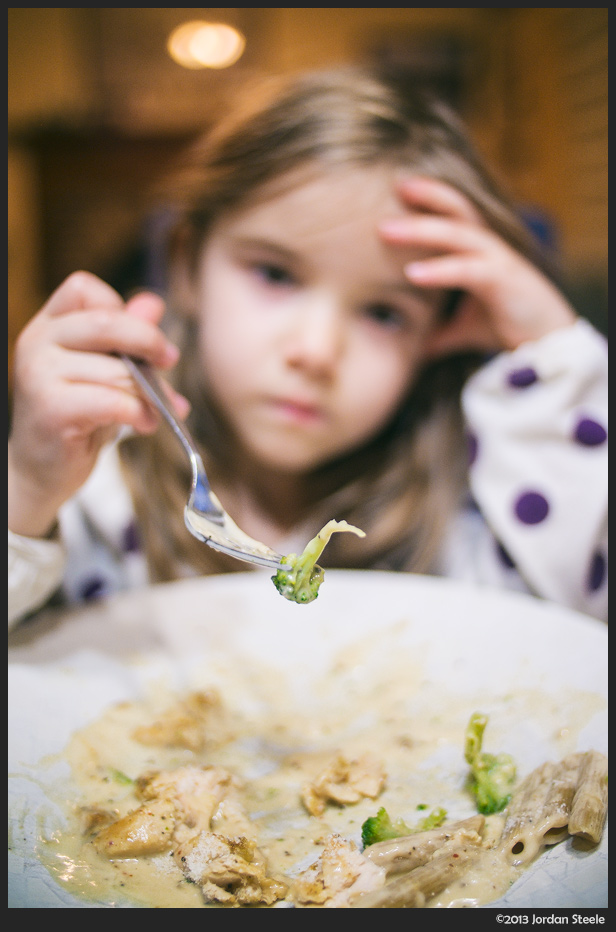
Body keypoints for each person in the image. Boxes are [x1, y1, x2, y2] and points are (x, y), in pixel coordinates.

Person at [7, 65, 608, 628]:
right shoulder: (88, 491)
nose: (316, 352)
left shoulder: (481, 511)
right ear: (187, 264)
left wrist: (553, 351)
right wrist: (26, 488)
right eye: (275, 274)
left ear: (441, 331)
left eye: (383, 312)